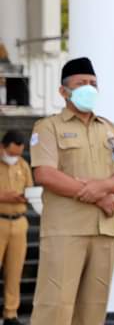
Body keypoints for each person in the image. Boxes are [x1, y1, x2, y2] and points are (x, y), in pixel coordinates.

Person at [29, 57, 114, 325]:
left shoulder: (111, 129)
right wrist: (101, 195)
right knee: (56, 306)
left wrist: (104, 187)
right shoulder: (48, 127)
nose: (89, 88)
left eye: (93, 83)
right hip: (66, 229)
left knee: (93, 309)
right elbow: (45, 173)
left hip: (104, 229)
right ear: (63, 91)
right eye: (81, 83)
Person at [0, 131, 33, 325]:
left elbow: (30, 190)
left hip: (19, 222)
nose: (15, 158)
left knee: (15, 270)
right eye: (11, 154)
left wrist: (20, 196)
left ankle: (10, 314)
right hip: (0, 220)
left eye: (18, 154)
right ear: (3, 147)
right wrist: (7, 197)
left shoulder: (23, 165)